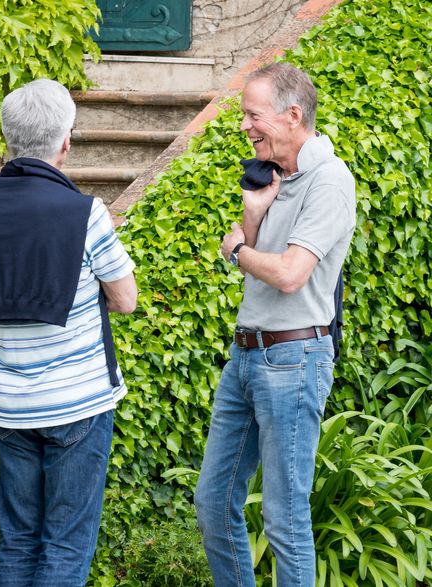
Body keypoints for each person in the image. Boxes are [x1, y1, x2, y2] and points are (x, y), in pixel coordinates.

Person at [0, 78, 138, 586]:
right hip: (78, 402)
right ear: (66, 141)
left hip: (11, 406)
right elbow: (126, 299)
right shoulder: (85, 214)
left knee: (17, 539)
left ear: (8, 140)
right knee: (65, 545)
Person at [194, 62, 356, 586]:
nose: (245, 125)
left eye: (252, 115)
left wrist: (237, 249)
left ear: (292, 116)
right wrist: (253, 213)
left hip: (294, 359)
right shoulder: (274, 178)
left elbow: (288, 274)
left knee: (285, 520)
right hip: (246, 352)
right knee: (213, 504)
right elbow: (262, 263)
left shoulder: (329, 180)